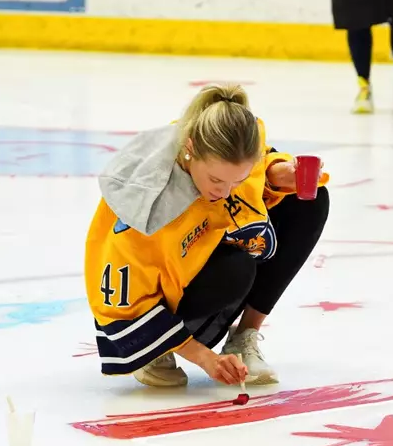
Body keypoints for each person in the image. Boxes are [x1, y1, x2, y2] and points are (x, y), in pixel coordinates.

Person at [86, 85, 330, 389]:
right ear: (189, 149)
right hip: (153, 307)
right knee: (236, 270)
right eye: (215, 180)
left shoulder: (224, 142)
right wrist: (203, 358)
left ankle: (243, 338)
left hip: (202, 253)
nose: (225, 191)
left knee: (307, 200)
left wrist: (275, 175)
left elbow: (252, 165)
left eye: (237, 180)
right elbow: (121, 308)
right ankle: (158, 352)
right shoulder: (148, 203)